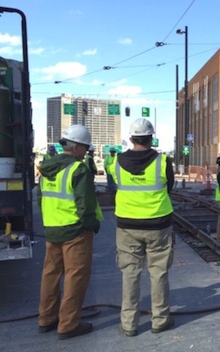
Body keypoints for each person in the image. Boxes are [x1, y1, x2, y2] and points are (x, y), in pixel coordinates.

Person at [110, 118, 175, 337]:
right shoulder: (163, 161)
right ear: (151, 138)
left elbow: (114, 185)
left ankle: (128, 324)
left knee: (130, 274)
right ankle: (160, 320)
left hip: (127, 225)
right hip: (158, 224)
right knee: (158, 273)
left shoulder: (116, 162)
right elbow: (170, 187)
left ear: (131, 138)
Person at [38, 124, 102, 340]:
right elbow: (85, 204)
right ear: (75, 148)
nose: (86, 152)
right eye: (84, 148)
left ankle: (46, 318)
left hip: (53, 229)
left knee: (51, 274)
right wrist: (91, 224)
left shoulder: (46, 168)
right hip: (75, 231)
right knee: (76, 277)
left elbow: (41, 199)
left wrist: (50, 221)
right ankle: (68, 324)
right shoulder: (78, 169)